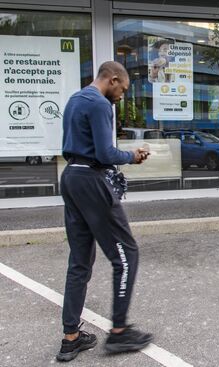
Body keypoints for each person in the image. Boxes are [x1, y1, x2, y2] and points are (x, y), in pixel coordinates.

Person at [56, 61, 153, 362]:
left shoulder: (75, 99)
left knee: (80, 261)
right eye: (122, 90)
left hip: (71, 177)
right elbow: (104, 153)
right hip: (91, 181)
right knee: (127, 254)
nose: (122, 96)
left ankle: (70, 337)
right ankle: (120, 333)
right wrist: (132, 155)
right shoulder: (100, 104)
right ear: (112, 80)